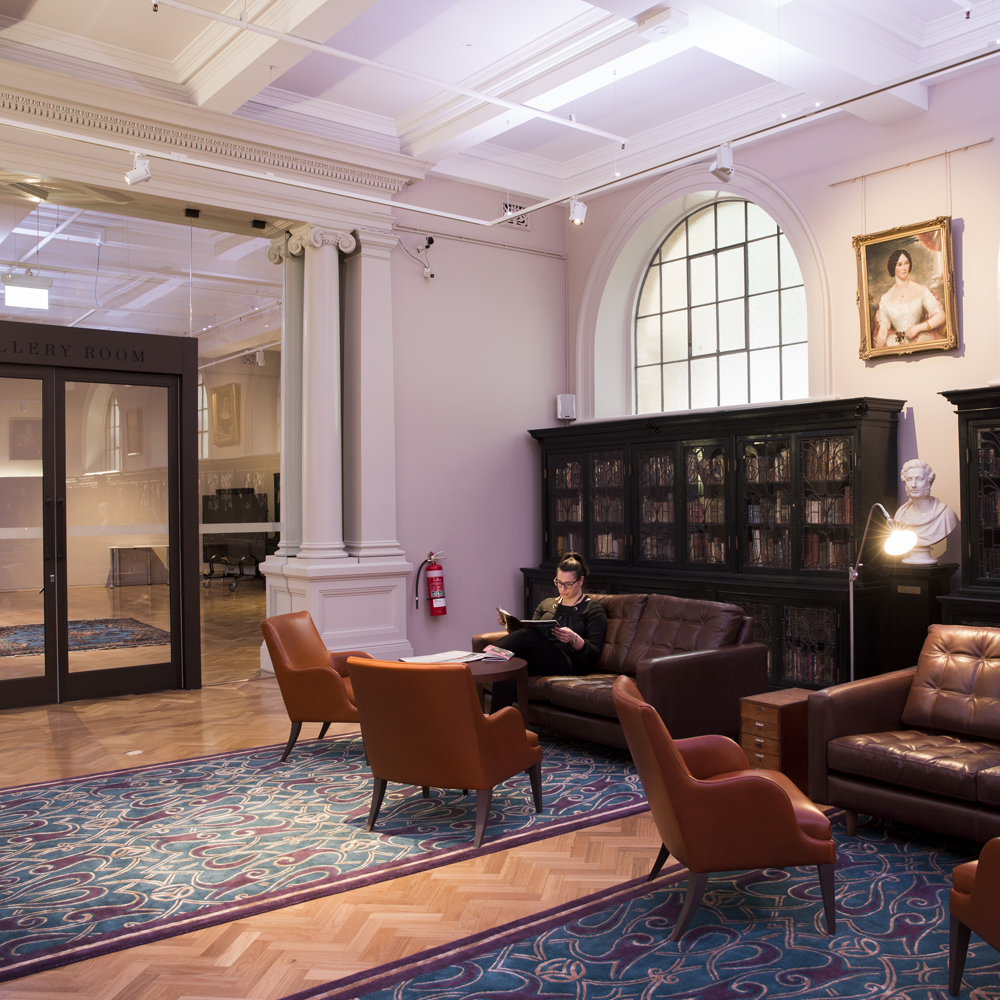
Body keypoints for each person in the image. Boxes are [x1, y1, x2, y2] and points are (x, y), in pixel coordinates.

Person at [489, 552, 607, 714]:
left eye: (568, 584)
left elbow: (593, 653)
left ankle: (483, 658)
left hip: (569, 665)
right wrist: (509, 625)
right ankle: (497, 724)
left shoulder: (593, 609)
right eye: (558, 583)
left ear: (580, 581)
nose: (562, 588)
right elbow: (530, 634)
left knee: (527, 636)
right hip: (541, 659)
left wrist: (574, 639)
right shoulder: (546, 604)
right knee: (510, 664)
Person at [874, 248, 946, 349]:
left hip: (920, 338)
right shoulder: (885, 299)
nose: (904, 268)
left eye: (906, 263)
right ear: (893, 267)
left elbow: (941, 316)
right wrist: (877, 349)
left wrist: (918, 328)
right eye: (899, 264)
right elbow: (883, 329)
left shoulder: (921, 290)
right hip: (896, 342)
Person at [894, 458, 958, 564]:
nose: (913, 485)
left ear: (929, 481)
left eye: (919, 479)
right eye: (909, 479)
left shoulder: (946, 516)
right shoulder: (900, 515)